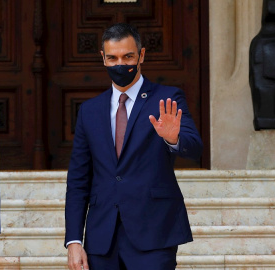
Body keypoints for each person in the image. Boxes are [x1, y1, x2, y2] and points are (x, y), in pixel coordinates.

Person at [65, 23, 203, 270]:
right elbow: (78, 179)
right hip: (101, 238)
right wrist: (74, 240)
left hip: (154, 233)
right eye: (113, 58)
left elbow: (195, 148)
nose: (120, 64)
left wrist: (173, 138)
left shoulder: (167, 99)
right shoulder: (89, 111)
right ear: (103, 59)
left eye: (128, 56)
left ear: (141, 55)